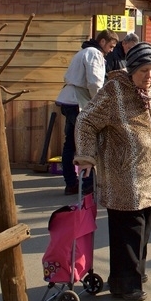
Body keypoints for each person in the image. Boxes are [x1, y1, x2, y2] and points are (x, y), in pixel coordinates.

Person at [74, 43, 151, 301]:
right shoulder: (114, 91)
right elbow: (86, 121)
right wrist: (86, 156)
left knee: (144, 227)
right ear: (131, 70)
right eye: (143, 70)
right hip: (123, 175)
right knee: (128, 230)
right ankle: (125, 284)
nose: (149, 75)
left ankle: (136, 271)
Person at [55, 29, 119, 195]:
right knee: (85, 142)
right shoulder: (94, 53)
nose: (111, 50)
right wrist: (99, 104)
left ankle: (72, 182)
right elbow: (94, 82)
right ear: (103, 42)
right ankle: (87, 184)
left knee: (70, 143)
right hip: (78, 101)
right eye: (111, 46)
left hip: (70, 100)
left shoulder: (84, 52)